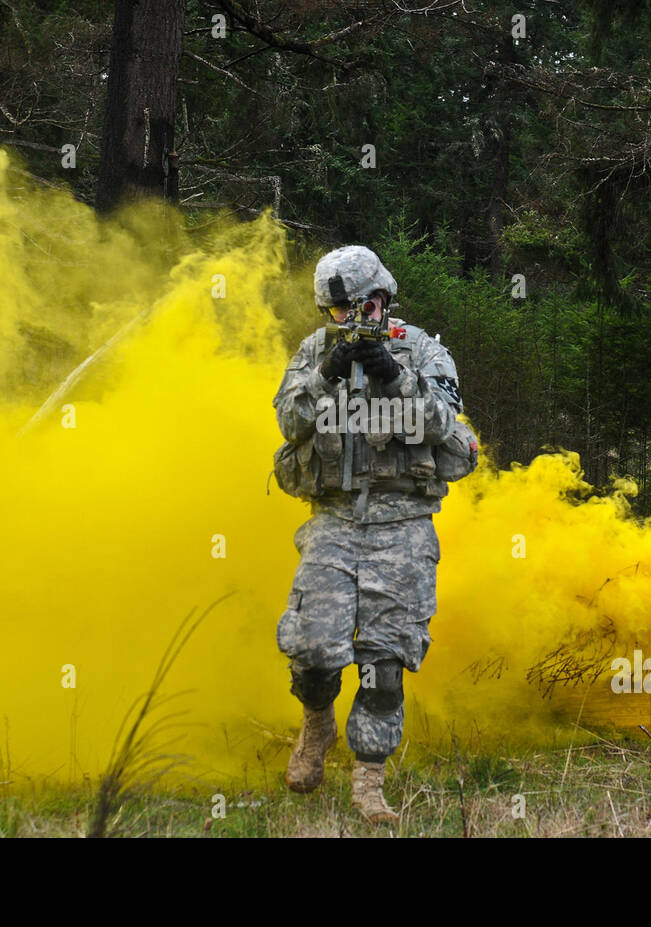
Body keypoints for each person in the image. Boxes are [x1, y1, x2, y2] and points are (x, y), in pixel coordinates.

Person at [271, 245, 476, 824]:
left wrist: (394, 376)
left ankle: (369, 778)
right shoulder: (314, 352)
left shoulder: (424, 351)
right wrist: (327, 373)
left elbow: (444, 425)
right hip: (333, 520)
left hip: (402, 523)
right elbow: (288, 421)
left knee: (385, 659)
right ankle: (316, 723)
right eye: (336, 312)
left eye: (356, 308)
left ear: (381, 299)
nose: (347, 320)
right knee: (312, 645)